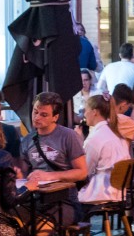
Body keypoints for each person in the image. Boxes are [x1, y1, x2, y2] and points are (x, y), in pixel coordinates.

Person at [21, 92, 89, 228]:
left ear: (55, 117)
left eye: (44, 115)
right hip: (35, 199)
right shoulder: (28, 139)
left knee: (40, 231)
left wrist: (49, 176)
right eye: (35, 112)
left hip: (65, 201)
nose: (37, 117)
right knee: (13, 224)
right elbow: (23, 172)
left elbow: (82, 172)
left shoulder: (68, 136)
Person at [79, 95, 132, 204]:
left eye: (86, 110)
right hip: (119, 192)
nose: (84, 114)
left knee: (64, 196)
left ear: (94, 112)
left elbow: (85, 171)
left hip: (101, 192)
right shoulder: (117, 133)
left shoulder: (96, 138)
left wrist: (79, 142)